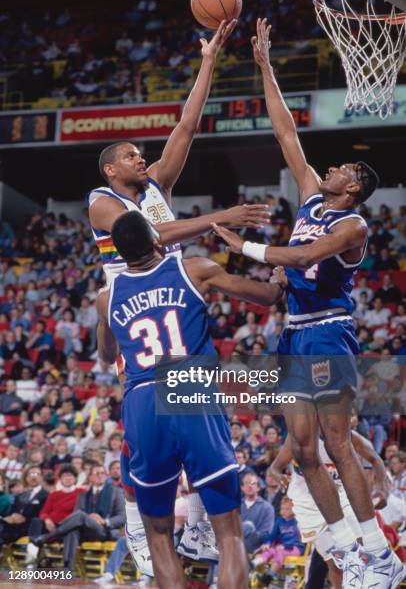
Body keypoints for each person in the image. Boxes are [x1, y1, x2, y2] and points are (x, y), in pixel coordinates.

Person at [212, 18, 405, 588]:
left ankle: (379, 555)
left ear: (353, 187)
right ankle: (347, 547)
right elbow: (285, 134)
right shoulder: (312, 196)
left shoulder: (353, 225)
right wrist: (265, 65)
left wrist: (240, 245)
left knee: (338, 439)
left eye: (342, 169)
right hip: (294, 333)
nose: (332, 167)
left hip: (329, 332)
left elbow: (298, 261)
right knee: (300, 448)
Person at [87, 20, 271, 576]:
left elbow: (187, 128)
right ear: (110, 169)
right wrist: (221, 219)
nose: (142, 161)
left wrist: (209, 60)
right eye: (132, 156)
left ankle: (185, 528)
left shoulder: (153, 188)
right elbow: (152, 236)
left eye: (144, 156)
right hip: (138, 306)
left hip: (172, 308)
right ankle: (144, 529)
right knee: (154, 436)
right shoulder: (101, 203)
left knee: (182, 426)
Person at [95, 210, 287, 589]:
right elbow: (267, 297)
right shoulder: (193, 268)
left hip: (141, 398)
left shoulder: (106, 297)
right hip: (187, 381)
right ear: (156, 241)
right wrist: (279, 279)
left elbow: (105, 354)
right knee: (229, 533)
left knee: (159, 536)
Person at [270, 431, 389, 588]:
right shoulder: (297, 436)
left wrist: (382, 487)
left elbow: (375, 458)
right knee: (334, 562)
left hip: (341, 496)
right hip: (309, 504)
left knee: (364, 549)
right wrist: (280, 477)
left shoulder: (347, 435)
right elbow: (275, 467)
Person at [32, 463, 125, 570]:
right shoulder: (83, 494)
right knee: (72, 530)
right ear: (90, 477)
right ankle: (67, 568)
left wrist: (104, 521)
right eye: (96, 473)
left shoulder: (117, 492)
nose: (100, 476)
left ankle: (46, 537)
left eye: (102, 473)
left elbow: (122, 517)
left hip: (104, 530)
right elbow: (76, 515)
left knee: (80, 516)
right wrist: (89, 518)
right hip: (86, 529)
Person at [240, 472, 275, 554]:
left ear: (258, 487)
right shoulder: (235, 506)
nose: (250, 486)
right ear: (242, 487)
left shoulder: (267, 508)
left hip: (255, 546)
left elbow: (266, 533)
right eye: (247, 483)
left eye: (253, 483)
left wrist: (249, 534)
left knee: (248, 525)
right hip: (235, 544)